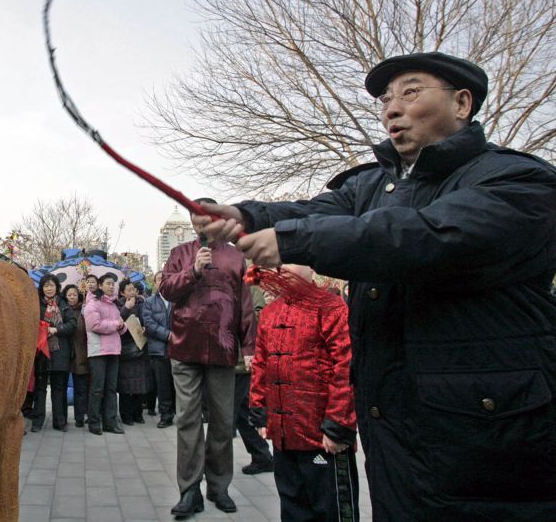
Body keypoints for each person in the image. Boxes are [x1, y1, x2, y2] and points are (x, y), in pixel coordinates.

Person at [195, 52, 556, 521]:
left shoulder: (518, 180)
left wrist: (291, 240)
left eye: (409, 92)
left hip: (492, 438)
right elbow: (318, 211)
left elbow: (423, 236)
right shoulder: (372, 185)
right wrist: (246, 216)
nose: (391, 108)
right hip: (397, 439)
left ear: (462, 103)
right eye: (385, 99)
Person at [160, 198, 256, 517]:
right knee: (187, 418)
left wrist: (250, 348)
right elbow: (166, 290)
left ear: (217, 220)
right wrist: (193, 271)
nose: (199, 227)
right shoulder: (180, 254)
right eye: (195, 222)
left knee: (222, 420)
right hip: (185, 345)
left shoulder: (236, 256)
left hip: (223, 347)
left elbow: (244, 305)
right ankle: (190, 490)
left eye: (204, 221)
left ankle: (219, 487)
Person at [249, 264, 359, 522]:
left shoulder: (331, 307)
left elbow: (346, 366)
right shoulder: (270, 313)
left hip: (323, 440)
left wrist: (338, 426)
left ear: (311, 267)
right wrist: (260, 413)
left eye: (292, 259)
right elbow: (261, 365)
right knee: (293, 509)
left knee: (332, 511)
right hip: (284, 438)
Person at [233, 283, 273, 474]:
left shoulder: (249, 288)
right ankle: (262, 456)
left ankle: (214, 468)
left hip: (242, 360)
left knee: (230, 415)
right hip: (225, 360)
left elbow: (259, 315)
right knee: (242, 414)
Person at [30, 273, 76, 432]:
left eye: (52, 285)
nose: (49, 289)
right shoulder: (36, 304)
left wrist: (56, 329)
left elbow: (72, 324)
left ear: (57, 287)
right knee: (40, 388)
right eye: (46, 286)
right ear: (42, 288)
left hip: (60, 351)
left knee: (59, 388)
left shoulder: (63, 303)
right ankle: (37, 421)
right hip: (41, 352)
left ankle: (60, 421)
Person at [83, 273, 127, 435]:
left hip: (114, 350)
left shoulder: (114, 305)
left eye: (113, 284)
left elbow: (120, 326)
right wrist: (116, 324)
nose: (111, 286)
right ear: (100, 286)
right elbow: (95, 325)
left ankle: (110, 422)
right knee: (97, 388)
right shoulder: (93, 304)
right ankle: (94, 423)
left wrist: (122, 326)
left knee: (111, 388)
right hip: (98, 352)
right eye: (108, 283)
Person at [141, 271, 176, 428]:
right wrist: (168, 335)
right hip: (158, 350)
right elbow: (149, 324)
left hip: (178, 349)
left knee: (179, 384)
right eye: (159, 279)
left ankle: (181, 414)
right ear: (155, 283)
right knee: (163, 386)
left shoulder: (178, 300)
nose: (162, 281)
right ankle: (166, 415)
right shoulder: (149, 302)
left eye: (165, 278)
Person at [116, 280, 150, 425]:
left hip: (140, 347)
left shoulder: (142, 305)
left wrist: (145, 328)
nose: (132, 292)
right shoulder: (118, 305)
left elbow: (147, 321)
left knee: (139, 384)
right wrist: (125, 308)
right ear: (122, 292)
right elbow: (117, 323)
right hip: (125, 349)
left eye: (133, 290)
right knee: (126, 385)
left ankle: (138, 414)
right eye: (128, 290)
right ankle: (126, 415)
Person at [63, 284, 90, 427]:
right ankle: (62, 418)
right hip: (65, 355)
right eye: (69, 295)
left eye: (74, 294)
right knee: (61, 388)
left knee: (81, 388)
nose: (72, 297)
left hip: (81, 354)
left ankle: (80, 417)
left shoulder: (84, 311)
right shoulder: (61, 310)